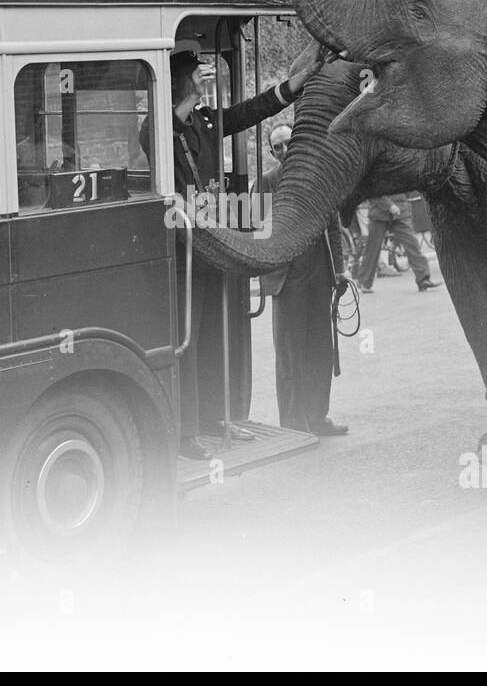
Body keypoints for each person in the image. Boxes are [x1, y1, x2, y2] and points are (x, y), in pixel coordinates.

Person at [146, 38, 323, 460]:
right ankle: (187, 432)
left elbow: (246, 113)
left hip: (213, 246)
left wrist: (292, 86)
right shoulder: (158, 127)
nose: (204, 81)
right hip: (184, 250)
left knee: (211, 337)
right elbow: (169, 184)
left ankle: (213, 416)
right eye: (197, 75)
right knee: (186, 342)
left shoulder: (204, 121)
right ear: (179, 84)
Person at [260, 123, 350, 436]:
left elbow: (334, 227)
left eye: (287, 143)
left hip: (319, 274)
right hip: (286, 279)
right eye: (277, 147)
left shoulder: (320, 176)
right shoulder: (268, 183)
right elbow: (260, 231)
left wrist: (339, 269)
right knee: (290, 353)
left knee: (320, 350)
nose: (284, 151)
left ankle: (318, 417)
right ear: (272, 153)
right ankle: (293, 425)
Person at [356, 194, 441, 293]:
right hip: (379, 211)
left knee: (412, 244)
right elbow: (371, 191)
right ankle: (364, 281)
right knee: (372, 249)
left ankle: (423, 278)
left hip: (401, 211)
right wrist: (389, 205)